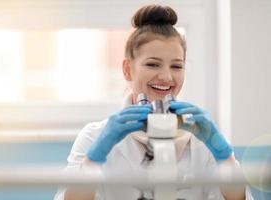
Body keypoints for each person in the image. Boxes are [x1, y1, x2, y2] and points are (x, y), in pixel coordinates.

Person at [55, 4, 253, 200]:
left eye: (176, 66)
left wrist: (224, 156)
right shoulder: (95, 137)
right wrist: (94, 159)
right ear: (127, 69)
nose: (166, 77)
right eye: (152, 64)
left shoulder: (202, 140)